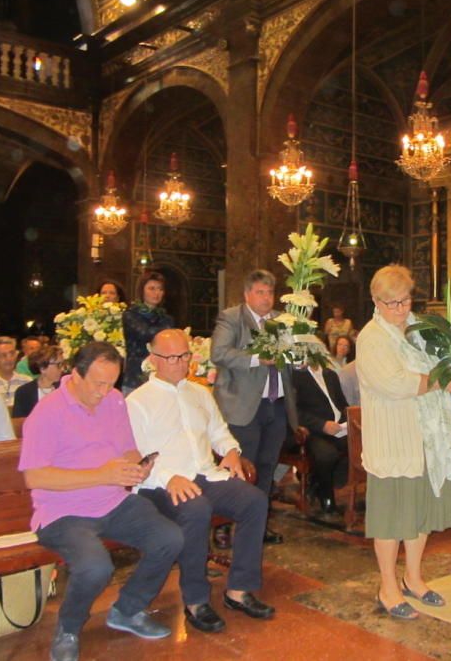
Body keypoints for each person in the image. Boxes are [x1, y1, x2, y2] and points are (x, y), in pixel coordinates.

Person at [18, 342, 183, 661]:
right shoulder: (47, 413)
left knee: (170, 537)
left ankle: (127, 609)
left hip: (112, 501)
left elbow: (127, 449)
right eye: (98, 383)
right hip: (62, 512)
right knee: (95, 567)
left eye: (112, 383)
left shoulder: (114, 401)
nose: (105, 391)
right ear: (75, 374)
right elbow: (35, 477)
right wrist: (102, 475)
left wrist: (137, 466)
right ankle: (67, 628)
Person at [127, 329, 273, 634]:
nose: (181, 363)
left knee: (254, 500)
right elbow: (137, 457)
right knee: (195, 509)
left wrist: (231, 452)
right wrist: (170, 478)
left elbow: (219, 432)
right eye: (172, 357)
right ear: (153, 359)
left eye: (185, 356)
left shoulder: (199, 393)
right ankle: (195, 601)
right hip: (159, 484)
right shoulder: (137, 402)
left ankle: (239, 589)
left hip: (204, 474)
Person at [356, 265, 451, 620]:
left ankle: (414, 577)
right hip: (394, 440)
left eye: (404, 300)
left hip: (428, 437)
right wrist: (441, 380)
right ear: (376, 301)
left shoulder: (419, 329)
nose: (400, 309)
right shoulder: (372, 337)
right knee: (392, 517)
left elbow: (443, 361)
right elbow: (394, 383)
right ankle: (387, 586)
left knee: (420, 512)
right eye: (391, 303)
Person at [211, 269, 298, 545]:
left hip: (277, 404)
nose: (266, 297)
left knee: (266, 467)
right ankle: (223, 526)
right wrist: (257, 358)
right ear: (247, 294)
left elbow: (287, 358)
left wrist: (299, 358)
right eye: (260, 292)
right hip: (244, 405)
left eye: (270, 292)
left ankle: (257, 526)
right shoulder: (232, 317)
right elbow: (219, 353)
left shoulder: (280, 322)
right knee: (238, 468)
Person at [292, 360, 350, 513]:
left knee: (360, 446)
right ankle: (326, 495)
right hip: (313, 430)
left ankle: (317, 482)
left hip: (339, 427)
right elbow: (294, 411)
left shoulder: (330, 374)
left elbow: (342, 403)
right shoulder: (296, 375)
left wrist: (349, 421)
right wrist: (322, 425)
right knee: (327, 454)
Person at [122, 271, 174, 394]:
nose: (157, 293)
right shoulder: (131, 314)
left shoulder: (166, 318)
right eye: (151, 288)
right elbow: (145, 333)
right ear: (142, 290)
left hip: (160, 374)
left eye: (160, 289)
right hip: (136, 375)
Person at [12, 346, 65, 436]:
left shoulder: (65, 388)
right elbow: (19, 425)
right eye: (58, 365)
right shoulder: (24, 392)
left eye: (63, 364)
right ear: (43, 368)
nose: (63, 369)